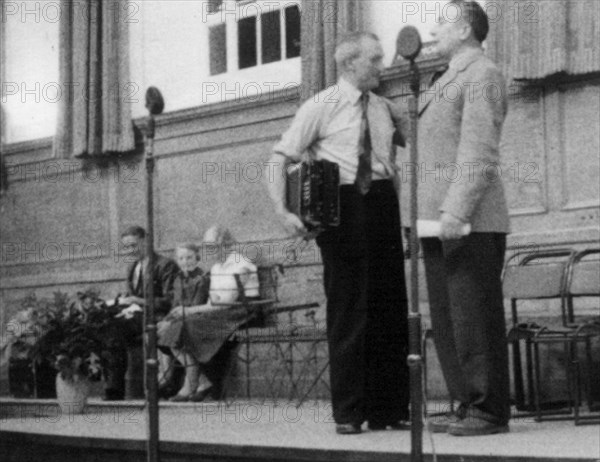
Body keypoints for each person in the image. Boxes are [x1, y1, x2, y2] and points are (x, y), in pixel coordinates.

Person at [267, 32, 409, 434]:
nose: (383, 66)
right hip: (343, 207)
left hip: (382, 203)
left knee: (389, 305)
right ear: (349, 64)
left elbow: (414, 140)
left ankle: (389, 409)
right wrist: (282, 211)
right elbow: (280, 157)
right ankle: (349, 412)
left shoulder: (382, 107)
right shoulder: (321, 106)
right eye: (375, 60)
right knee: (349, 308)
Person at [415, 0, 511, 436]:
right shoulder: (443, 79)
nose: (432, 30)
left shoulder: (482, 73)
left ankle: (488, 409)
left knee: (473, 317)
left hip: (467, 219)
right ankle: (465, 403)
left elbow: (479, 149)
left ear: (467, 29)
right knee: (449, 320)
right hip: (438, 223)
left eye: (441, 22)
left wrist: (457, 207)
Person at [158, 225, 260, 402]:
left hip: (241, 314)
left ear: (226, 244)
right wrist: (189, 312)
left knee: (186, 325)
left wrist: (189, 311)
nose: (208, 250)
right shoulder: (216, 268)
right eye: (207, 246)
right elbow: (212, 301)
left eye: (212, 246)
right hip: (220, 312)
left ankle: (191, 384)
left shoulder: (242, 264)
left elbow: (226, 301)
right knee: (173, 326)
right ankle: (198, 381)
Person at [103, 225, 178, 401]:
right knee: (107, 327)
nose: (130, 250)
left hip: (156, 316)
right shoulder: (132, 268)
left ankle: (117, 388)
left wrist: (139, 301)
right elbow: (131, 296)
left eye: (133, 245)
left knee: (115, 329)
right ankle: (114, 388)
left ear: (146, 241)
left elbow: (169, 301)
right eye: (126, 247)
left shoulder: (165, 265)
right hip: (135, 317)